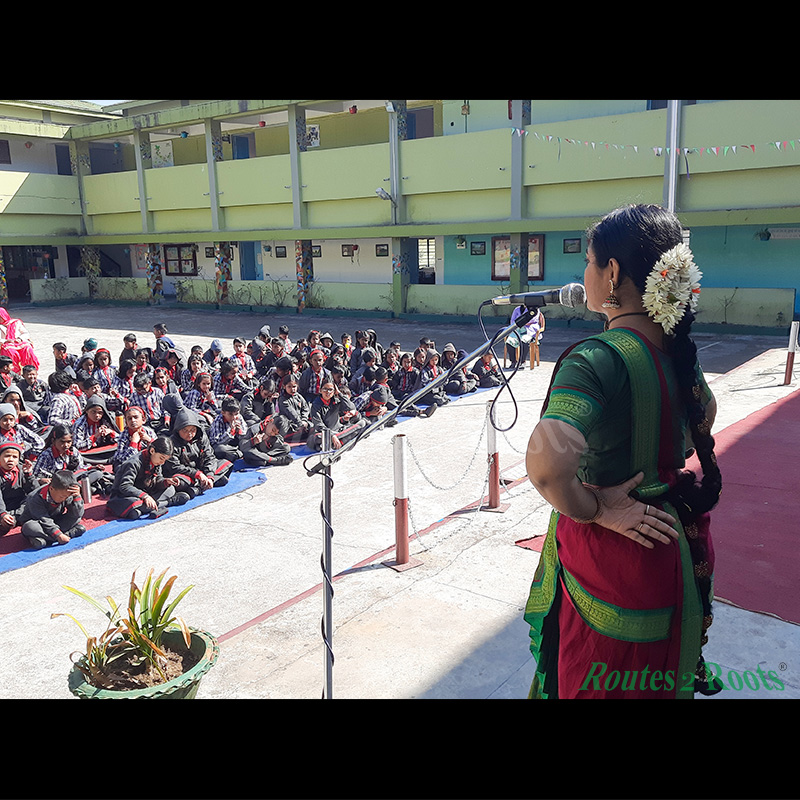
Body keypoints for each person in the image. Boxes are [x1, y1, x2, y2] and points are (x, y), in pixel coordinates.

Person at [522, 203, 721, 700]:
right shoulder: (678, 355)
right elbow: (706, 415)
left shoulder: (597, 358)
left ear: (612, 273)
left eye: (589, 262)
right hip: (670, 550)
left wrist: (596, 508)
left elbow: (546, 468)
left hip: (611, 560)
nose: (584, 274)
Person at [165, 406, 233, 497]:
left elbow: (209, 456)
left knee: (224, 464)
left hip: (201, 469)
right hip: (186, 473)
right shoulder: (171, 443)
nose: (189, 434)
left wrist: (209, 476)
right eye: (185, 430)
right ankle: (204, 484)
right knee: (178, 481)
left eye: (192, 430)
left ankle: (201, 486)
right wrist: (197, 474)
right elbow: (174, 466)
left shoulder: (201, 436)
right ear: (178, 429)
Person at [19, 469, 85, 550]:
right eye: (62, 497)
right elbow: (44, 519)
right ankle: (67, 534)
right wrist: (58, 535)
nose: (64, 499)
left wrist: (77, 497)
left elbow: (77, 514)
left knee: (76, 517)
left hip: (55, 520)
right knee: (30, 527)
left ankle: (46, 540)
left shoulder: (67, 493)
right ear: (51, 488)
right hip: (39, 523)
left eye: (67, 497)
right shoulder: (35, 497)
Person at [308, 380, 367, 452]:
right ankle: (339, 441)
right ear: (320, 390)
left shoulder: (336, 401)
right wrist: (332, 435)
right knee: (318, 438)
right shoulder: (315, 405)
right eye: (325, 389)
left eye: (330, 389)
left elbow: (351, 407)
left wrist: (339, 394)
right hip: (324, 433)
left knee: (362, 423)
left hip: (339, 431)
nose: (328, 392)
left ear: (334, 391)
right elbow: (318, 425)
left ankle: (338, 442)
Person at [0, 441, 40, 535]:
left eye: (14, 457)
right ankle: (15, 519)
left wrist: (28, 475)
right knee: (5, 524)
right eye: (7, 456)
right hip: (4, 507)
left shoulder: (21, 469)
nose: (10, 459)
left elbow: (34, 491)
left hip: (20, 506)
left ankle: (16, 517)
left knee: (35, 500)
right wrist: (2, 514)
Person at [112, 405, 156, 472]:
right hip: (130, 465)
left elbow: (159, 452)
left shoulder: (149, 432)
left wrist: (149, 440)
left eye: (136, 417)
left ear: (143, 420)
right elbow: (122, 459)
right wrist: (133, 443)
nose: (133, 420)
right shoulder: (123, 435)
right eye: (129, 418)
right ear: (126, 423)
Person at [0, 308, 39, 372]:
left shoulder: (16, 322)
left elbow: (25, 333)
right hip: (7, 344)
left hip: (20, 342)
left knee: (28, 349)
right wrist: (6, 340)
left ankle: (30, 370)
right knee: (10, 352)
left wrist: (20, 338)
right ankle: (14, 371)